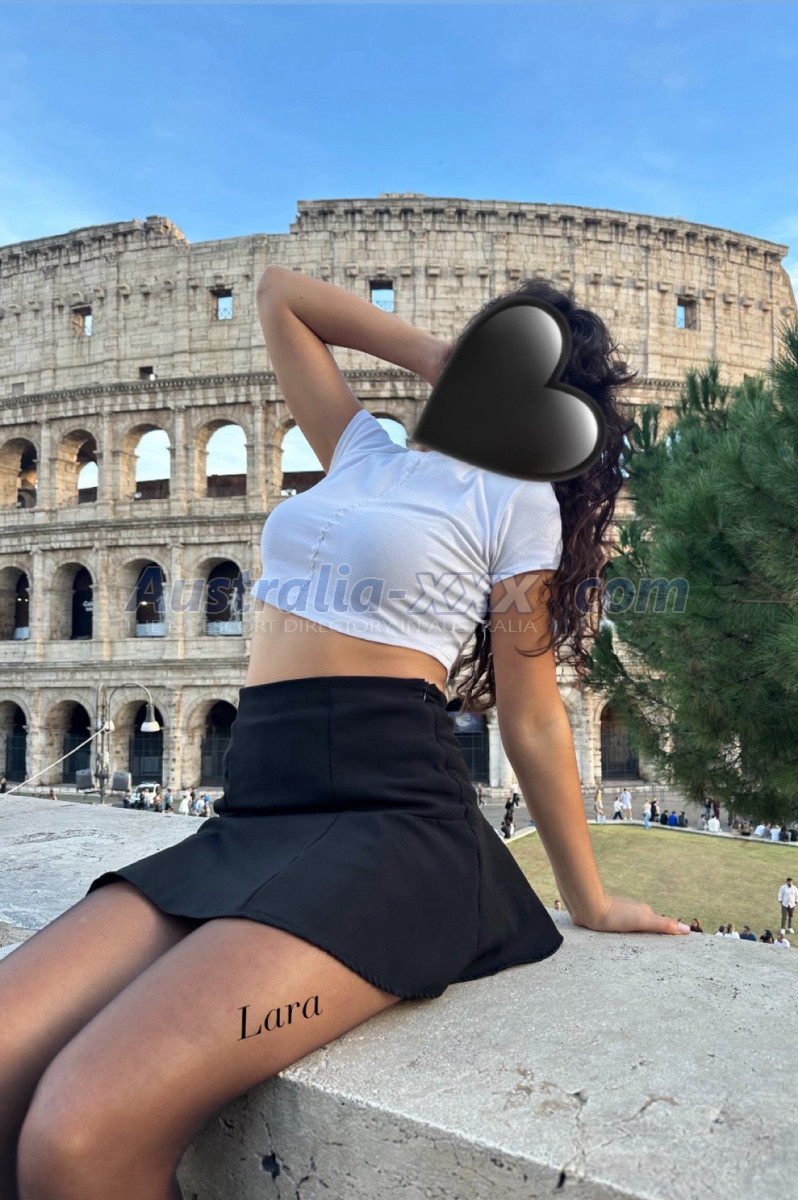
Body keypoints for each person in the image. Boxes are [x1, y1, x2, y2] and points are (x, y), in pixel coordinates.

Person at [0, 267, 690, 1199]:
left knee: (78, 1133)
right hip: (257, 810)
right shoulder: (363, 451)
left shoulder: (516, 499)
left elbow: (531, 712)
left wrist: (589, 896)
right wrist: (438, 357)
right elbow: (281, 297)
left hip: (392, 826)